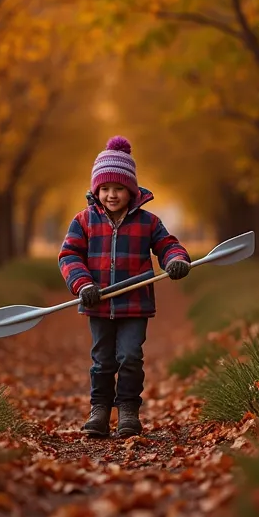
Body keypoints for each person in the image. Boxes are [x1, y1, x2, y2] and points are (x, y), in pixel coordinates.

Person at [59, 136, 190, 439]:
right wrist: (82, 283)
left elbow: (168, 245)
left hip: (135, 305)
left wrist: (176, 260)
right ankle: (100, 411)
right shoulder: (83, 221)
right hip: (98, 302)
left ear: (131, 190)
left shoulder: (148, 222)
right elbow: (68, 255)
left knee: (130, 357)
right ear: (96, 190)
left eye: (118, 188)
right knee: (102, 361)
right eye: (104, 188)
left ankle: (128, 411)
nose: (111, 195)